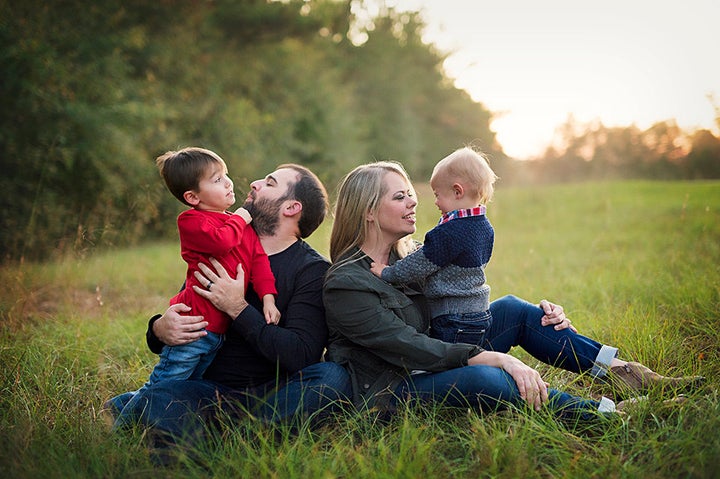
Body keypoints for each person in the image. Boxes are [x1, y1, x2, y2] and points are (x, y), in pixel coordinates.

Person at [323, 159, 702, 419]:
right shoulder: (347, 282)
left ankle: (626, 373)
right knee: (489, 377)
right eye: (399, 196)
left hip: (438, 357)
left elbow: (461, 305)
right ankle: (604, 414)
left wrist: (546, 318)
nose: (414, 201)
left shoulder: (413, 255)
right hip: (394, 389)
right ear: (368, 211)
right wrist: (492, 357)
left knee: (515, 310)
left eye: (411, 193)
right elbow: (409, 346)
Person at [104, 164, 351, 455]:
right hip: (210, 392)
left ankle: (236, 436)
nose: (255, 183)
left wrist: (238, 308)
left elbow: (300, 355)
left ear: (292, 207)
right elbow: (188, 310)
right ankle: (209, 440)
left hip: (273, 394)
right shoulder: (224, 244)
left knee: (332, 377)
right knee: (162, 395)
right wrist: (159, 328)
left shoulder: (311, 270)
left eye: (269, 183)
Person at [121, 148, 281, 412]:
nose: (229, 182)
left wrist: (268, 298)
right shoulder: (192, 222)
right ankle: (120, 428)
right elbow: (221, 242)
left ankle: (119, 408)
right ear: (192, 197)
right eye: (217, 179)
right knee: (162, 388)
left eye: (226, 175)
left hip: (217, 334)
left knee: (185, 391)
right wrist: (242, 216)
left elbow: (259, 262)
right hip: (192, 328)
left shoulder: (241, 226)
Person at [370, 146, 497, 345]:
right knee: (470, 354)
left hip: (452, 316)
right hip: (479, 312)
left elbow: (418, 265)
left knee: (450, 363)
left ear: (457, 191)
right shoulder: (485, 228)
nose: (436, 202)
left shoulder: (449, 232)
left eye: (438, 195)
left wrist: (387, 272)